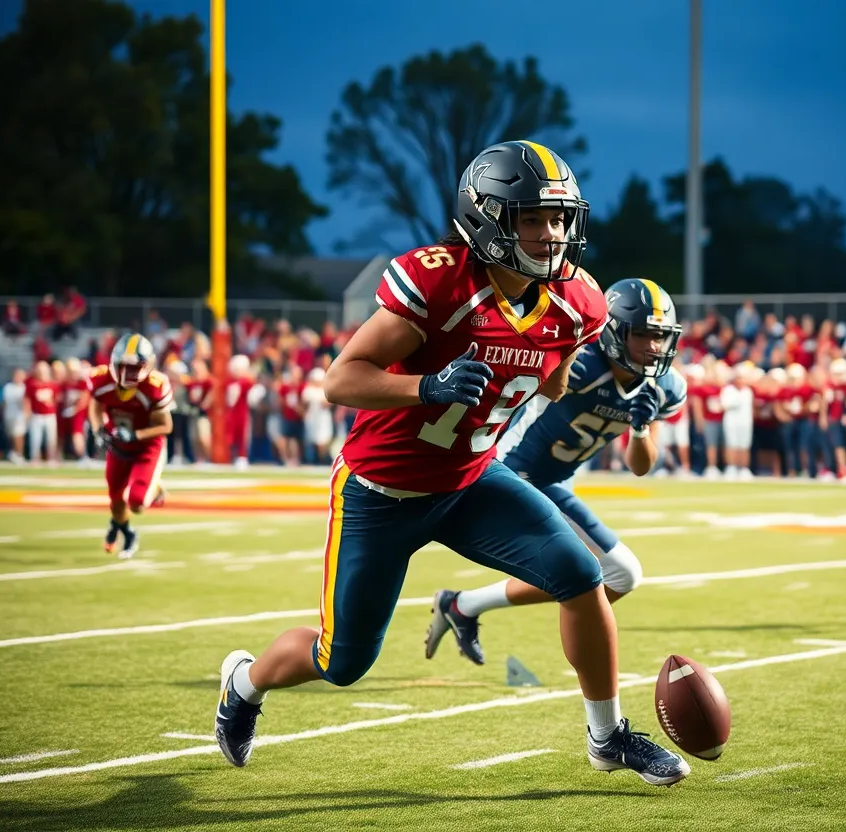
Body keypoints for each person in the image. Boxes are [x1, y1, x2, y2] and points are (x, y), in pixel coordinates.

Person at [212, 141, 689, 786]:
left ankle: (607, 735)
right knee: (343, 660)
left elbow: (547, 380)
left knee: (582, 574)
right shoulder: (439, 280)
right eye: (532, 219)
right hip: (383, 492)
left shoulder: (578, 301)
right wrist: (427, 385)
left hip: (470, 480)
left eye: (558, 218)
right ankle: (244, 683)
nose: (551, 235)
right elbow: (340, 380)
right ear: (490, 218)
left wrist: (575, 389)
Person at [426, 278, 686, 663]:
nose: (653, 347)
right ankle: (471, 607)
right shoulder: (580, 364)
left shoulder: (665, 386)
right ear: (615, 331)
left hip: (556, 481)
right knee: (618, 573)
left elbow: (640, 466)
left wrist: (640, 426)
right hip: (515, 470)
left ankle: (463, 605)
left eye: (660, 337)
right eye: (643, 334)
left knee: (610, 575)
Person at [86, 334, 173, 559]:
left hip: (147, 447)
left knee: (136, 503)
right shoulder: (101, 379)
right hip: (118, 446)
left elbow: (166, 426)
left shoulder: (155, 386)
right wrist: (98, 430)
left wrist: (135, 435)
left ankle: (155, 488)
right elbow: (95, 404)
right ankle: (126, 531)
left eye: (135, 368)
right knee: (115, 499)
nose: (129, 374)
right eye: (124, 366)